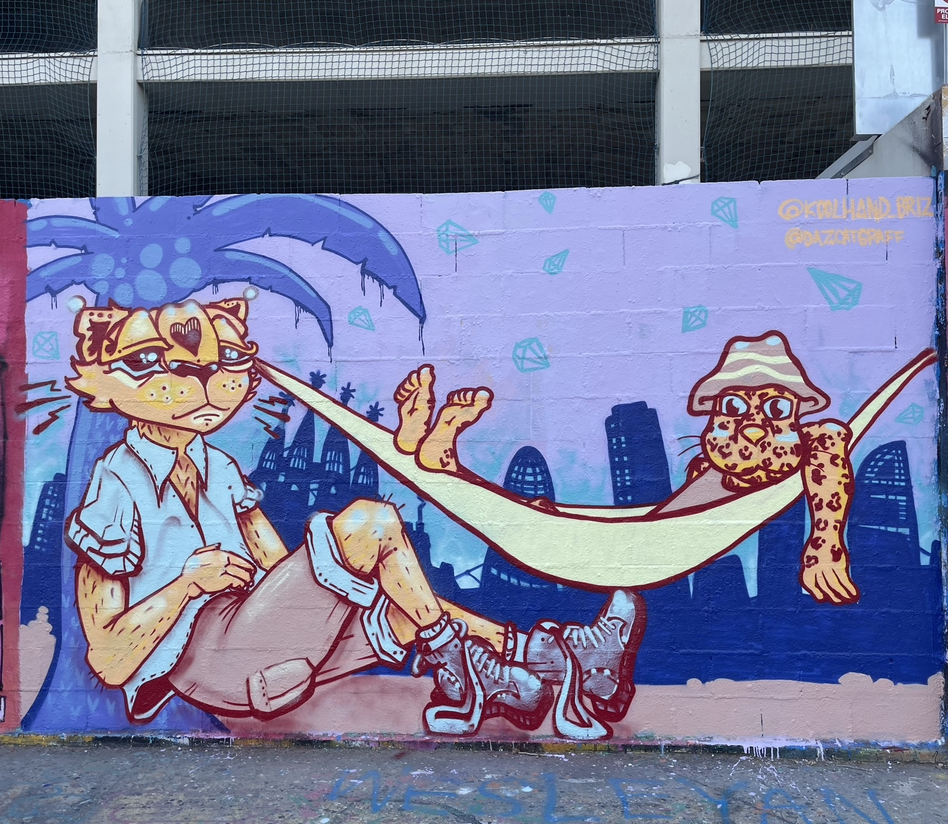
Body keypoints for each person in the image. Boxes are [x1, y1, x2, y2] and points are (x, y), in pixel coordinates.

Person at [65, 297, 644, 740]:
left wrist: (330, 590)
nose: (204, 382)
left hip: (263, 649)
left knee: (405, 604)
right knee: (371, 524)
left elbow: (280, 572)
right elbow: (109, 660)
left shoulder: (219, 468)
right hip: (206, 664)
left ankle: (557, 657)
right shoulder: (115, 483)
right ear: (105, 382)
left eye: (227, 361)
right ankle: (467, 667)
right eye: (152, 364)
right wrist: (188, 583)